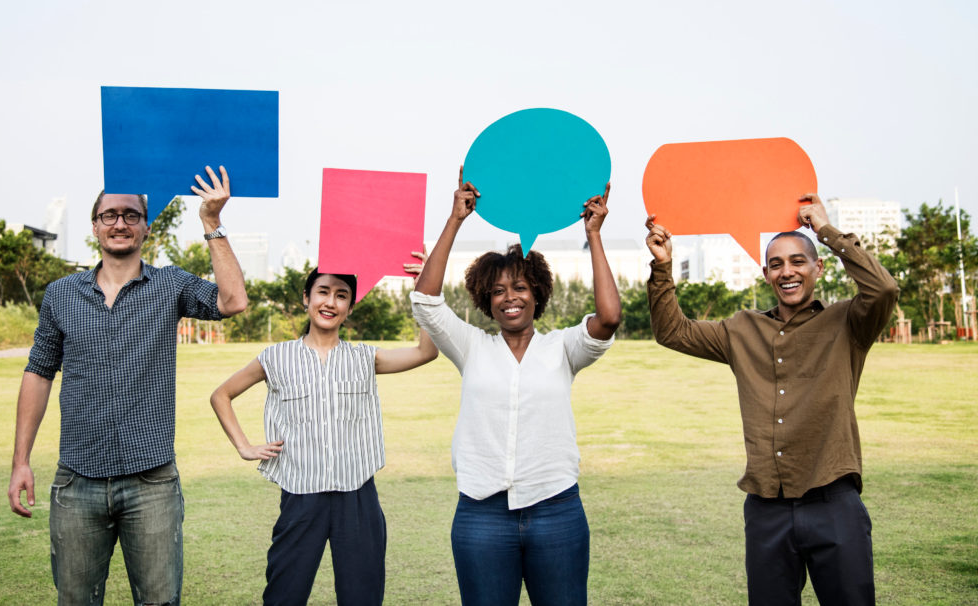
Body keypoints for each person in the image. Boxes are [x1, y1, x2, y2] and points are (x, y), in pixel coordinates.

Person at [7, 166, 248, 605]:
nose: (120, 223)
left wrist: (212, 222)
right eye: (110, 215)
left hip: (151, 481)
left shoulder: (170, 285)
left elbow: (233, 301)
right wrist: (21, 460)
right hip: (76, 481)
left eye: (131, 215)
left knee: (159, 601)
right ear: (95, 226)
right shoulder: (60, 295)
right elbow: (39, 373)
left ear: (146, 227)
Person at [644, 194, 899, 605]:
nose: (788, 272)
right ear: (766, 274)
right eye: (777, 264)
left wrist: (827, 231)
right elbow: (673, 332)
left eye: (798, 260)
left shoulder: (848, 322)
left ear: (817, 267)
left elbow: (884, 288)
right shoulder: (741, 330)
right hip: (766, 510)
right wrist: (662, 265)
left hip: (833, 502)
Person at [410, 168, 621, 606]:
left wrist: (594, 235)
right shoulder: (470, 346)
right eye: (498, 290)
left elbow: (609, 318)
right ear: (486, 300)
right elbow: (426, 301)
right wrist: (455, 219)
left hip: (556, 510)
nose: (510, 297)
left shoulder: (563, 348)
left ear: (537, 293)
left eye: (520, 287)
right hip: (481, 514)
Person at [209, 260, 438, 606]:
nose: (331, 302)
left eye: (341, 296)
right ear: (306, 298)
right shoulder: (276, 357)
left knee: (362, 597)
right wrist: (244, 446)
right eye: (323, 292)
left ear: (349, 308)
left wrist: (423, 289)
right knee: (284, 595)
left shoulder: (365, 358)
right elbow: (221, 395)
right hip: (301, 497)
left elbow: (426, 351)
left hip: (358, 497)